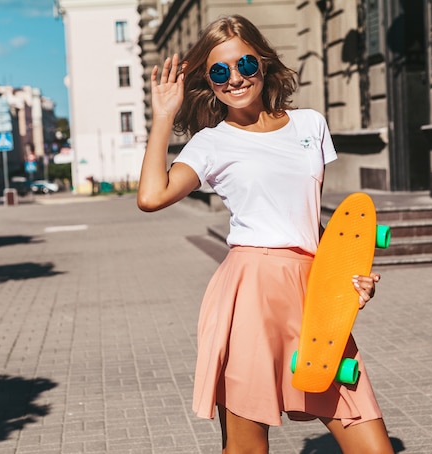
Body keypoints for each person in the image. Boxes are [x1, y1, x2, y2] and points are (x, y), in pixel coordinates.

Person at [137, 15, 393, 454]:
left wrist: (348, 277)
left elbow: (310, 221)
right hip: (250, 292)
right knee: (247, 447)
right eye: (219, 72)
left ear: (264, 63)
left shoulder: (310, 125)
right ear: (209, 81)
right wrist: (164, 116)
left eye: (245, 65)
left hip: (312, 290)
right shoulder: (211, 142)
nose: (234, 78)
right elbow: (151, 196)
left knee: (369, 439)